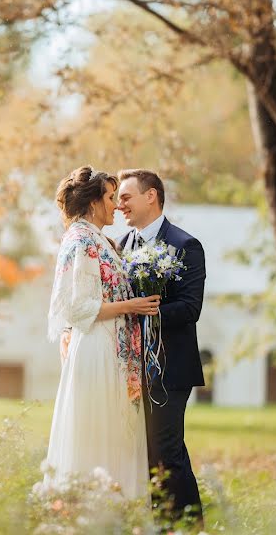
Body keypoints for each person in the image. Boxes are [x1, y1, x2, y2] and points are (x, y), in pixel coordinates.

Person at [42, 166, 161, 498]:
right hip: (96, 350)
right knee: (97, 435)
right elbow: (77, 308)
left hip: (115, 351)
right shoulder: (80, 240)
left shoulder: (102, 240)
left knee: (116, 435)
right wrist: (131, 306)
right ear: (94, 201)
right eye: (111, 197)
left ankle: (117, 515)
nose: (116, 206)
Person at [116, 168, 206, 524]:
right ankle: (169, 521)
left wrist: (141, 313)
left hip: (171, 368)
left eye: (125, 197)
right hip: (132, 367)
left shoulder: (185, 245)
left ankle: (185, 525)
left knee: (165, 449)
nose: (119, 205)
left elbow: (190, 308)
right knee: (151, 449)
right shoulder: (121, 247)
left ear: (150, 195)